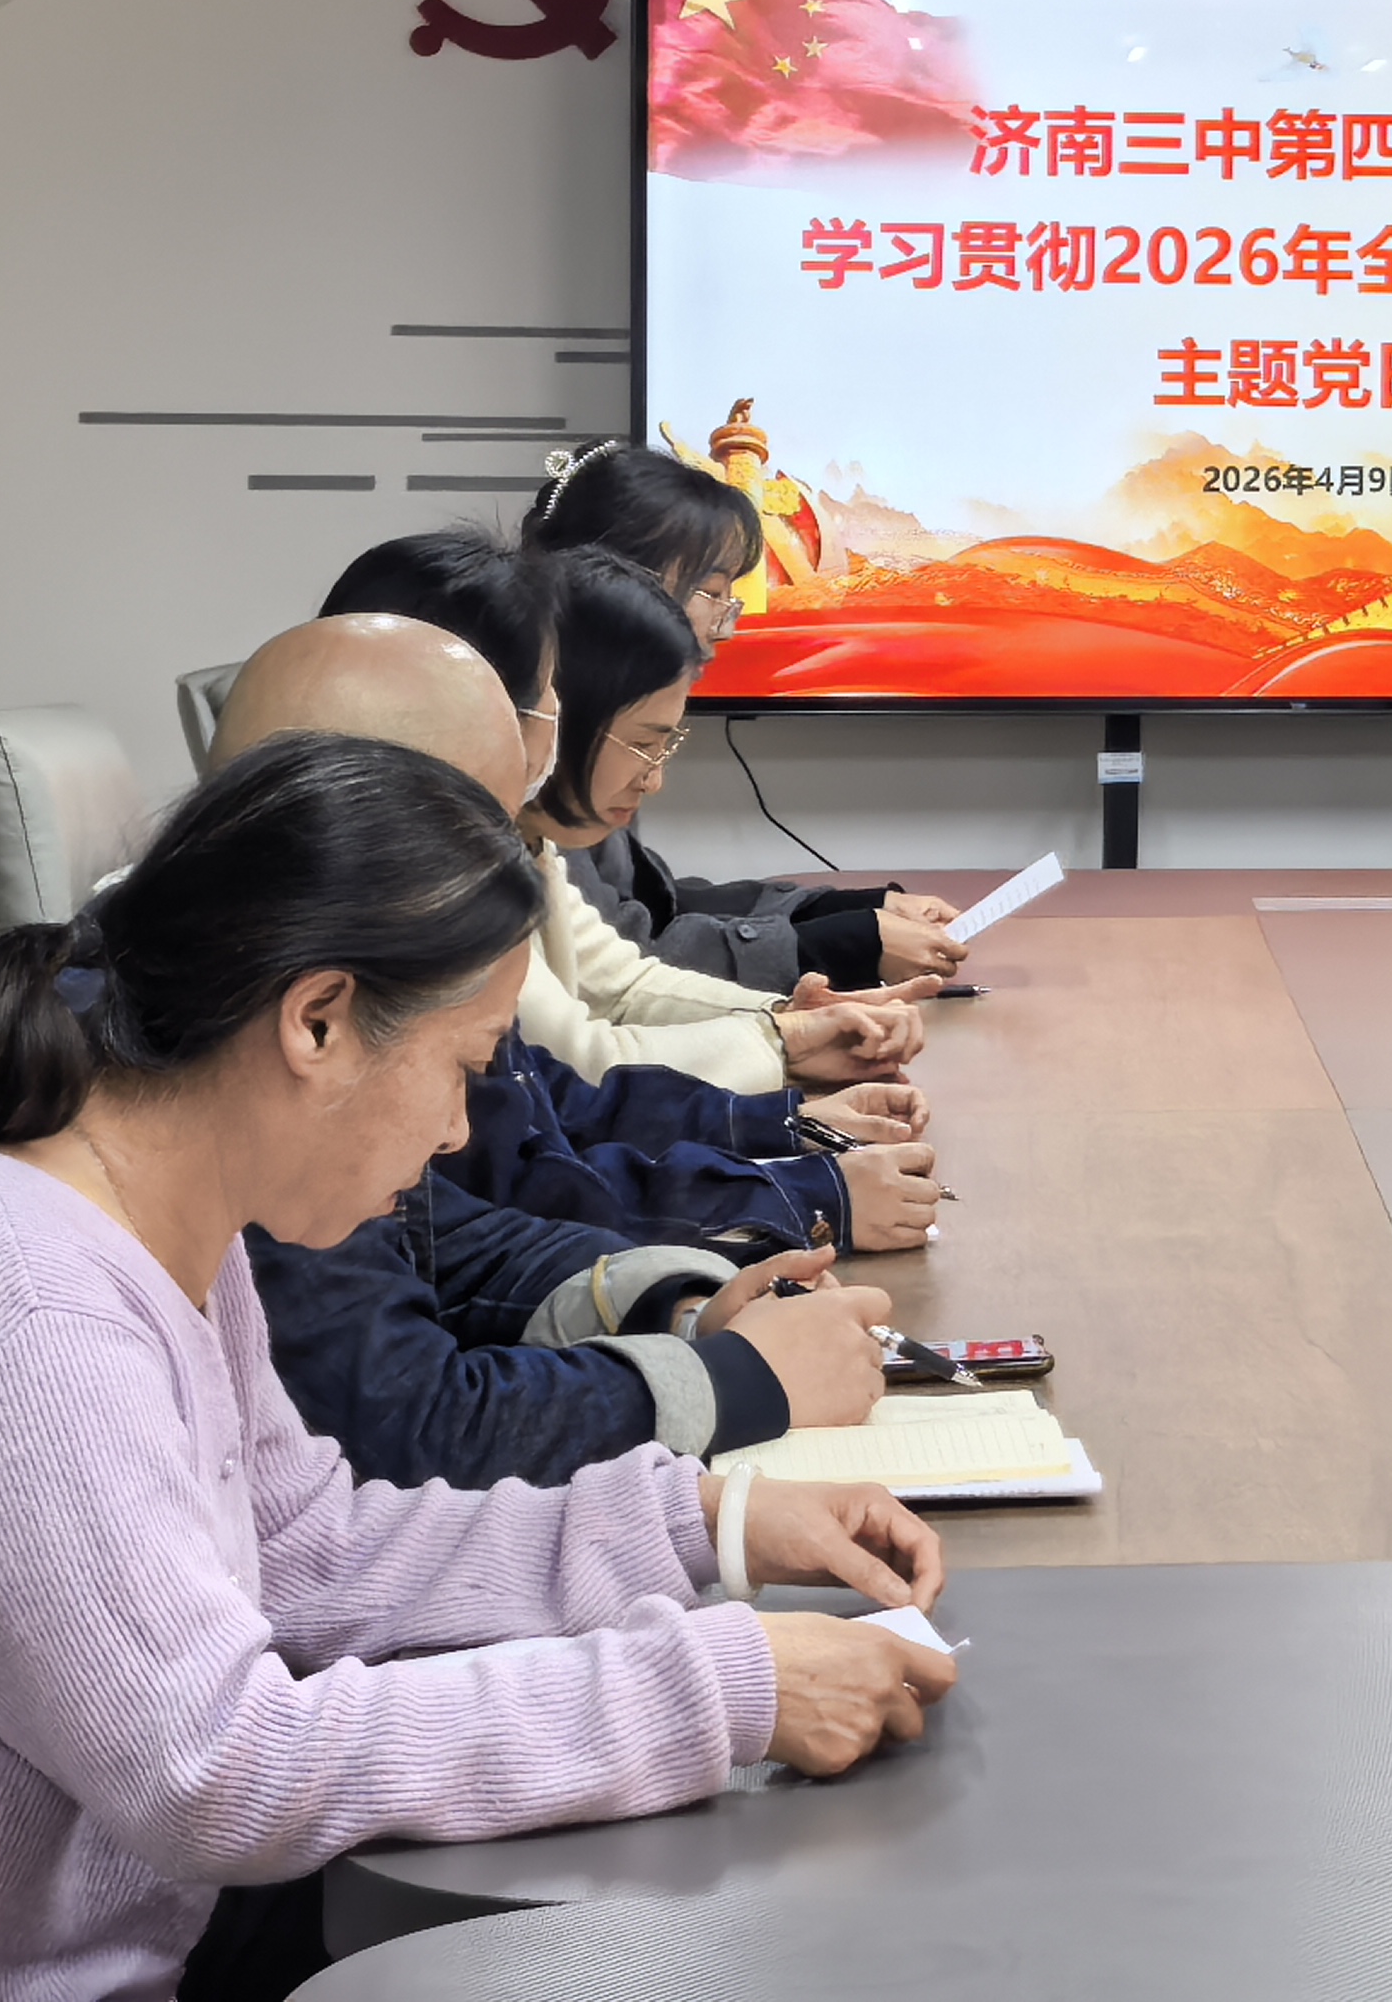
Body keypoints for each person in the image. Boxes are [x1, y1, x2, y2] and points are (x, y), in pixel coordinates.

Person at [0, 733, 954, 2002]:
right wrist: (712, 1688)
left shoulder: (162, 1217)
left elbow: (301, 1552)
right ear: (317, 1021)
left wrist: (700, 1525)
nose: (461, 1133)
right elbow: (216, 1770)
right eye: (463, 1067)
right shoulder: (24, 1313)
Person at [209, 621, 908, 1490]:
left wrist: (682, 1312)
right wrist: (732, 1379)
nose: (458, 1129)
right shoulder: (253, 1076)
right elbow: (405, 1432)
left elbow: (455, 1240)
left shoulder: (275, 1000)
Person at [221, 615, 944, 1257]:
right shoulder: (393, 947)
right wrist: (794, 1188)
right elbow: (531, 1167)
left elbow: (557, 1103)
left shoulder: (469, 878)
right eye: (547, 716)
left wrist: (785, 1088)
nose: (544, 752)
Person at [323, 530, 918, 1094]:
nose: (544, 725)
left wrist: (786, 1021)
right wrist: (783, 1040)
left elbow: (621, 983)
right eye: (711, 592)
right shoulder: (416, 873)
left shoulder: (508, 839)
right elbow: (576, 1064)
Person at [518, 442, 965, 999]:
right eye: (714, 593)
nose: (727, 626)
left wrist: (846, 911)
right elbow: (624, 969)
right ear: (621, 579)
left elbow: (657, 906)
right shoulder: (537, 746)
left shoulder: (572, 713)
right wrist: (836, 945)